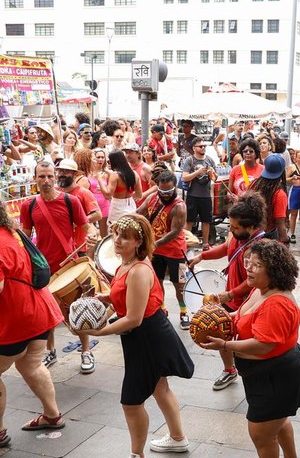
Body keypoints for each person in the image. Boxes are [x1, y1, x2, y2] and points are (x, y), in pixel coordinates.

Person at [81, 214, 194, 457]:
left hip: (148, 338)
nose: (117, 240)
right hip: (144, 336)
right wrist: (108, 298)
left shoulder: (139, 270)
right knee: (160, 388)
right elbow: (126, 297)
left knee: (131, 403)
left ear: (138, 242)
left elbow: (134, 318)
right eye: (116, 234)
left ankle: (136, 454)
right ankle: (178, 438)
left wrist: (97, 331)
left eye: (125, 237)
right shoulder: (125, 265)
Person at [201, 240, 300, 458]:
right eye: (249, 262)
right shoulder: (260, 290)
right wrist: (219, 317)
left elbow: (263, 344)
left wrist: (224, 345)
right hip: (263, 373)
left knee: (262, 434)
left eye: (256, 265)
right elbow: (243, 316)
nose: (248, 268)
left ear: (273, 270)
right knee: (277, 424)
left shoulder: (277, 304)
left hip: (278, 376)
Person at [0, 200, 66, 448]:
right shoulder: (12, 232)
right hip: (39, 312)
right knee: (31, 364)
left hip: (15, 321)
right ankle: (52, 414)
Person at [21, 162, 98, 371]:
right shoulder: (28, 206)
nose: (46, 181)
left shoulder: (70, 201)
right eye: (41, 177)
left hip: (69, 266)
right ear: (35, 179)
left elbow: (88, 226)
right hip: (43, 268)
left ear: (55, 177)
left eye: (49, 176)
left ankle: (86, 351)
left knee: (78, 309)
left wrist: (92, 235)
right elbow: (25, 238)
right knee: (47, 313)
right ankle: (50, 351)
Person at [188, 192, 265, 391]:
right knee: (223, 335)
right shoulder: (237, 236)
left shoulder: (257, 248)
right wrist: (201, 257)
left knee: (247, 344)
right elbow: (226, 247)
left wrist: (231, 294)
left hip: (249, 303)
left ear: (250, 227)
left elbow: (252, 282)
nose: (231, 230)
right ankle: (230, 370)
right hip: (230, 298)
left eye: (235, 227)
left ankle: (254, 377)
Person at [136, 170, 189, 330]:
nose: (165, 194)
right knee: (156, 282)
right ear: (157, 187)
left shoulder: (179, 206)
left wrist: (153, 244)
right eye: (162, 190)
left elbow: (174, 232)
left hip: (175, 251)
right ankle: (162, 309)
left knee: (179, 284)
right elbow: (139, 213)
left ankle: (184, 311)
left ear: (175, 188)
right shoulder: (152, 198)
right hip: (156, 251)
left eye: (169, 191)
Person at [181, 137, 217, 249]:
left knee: (206, 221)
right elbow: (184, 178)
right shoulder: (189, 160)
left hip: (206, 195)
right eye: (200, 146)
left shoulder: (210, 160)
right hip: (192, 195)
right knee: (189, 221)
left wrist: (211, 174)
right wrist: (198, 172)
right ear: (194, 148)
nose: (203, 148)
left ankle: (205, 243)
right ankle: (186, 242)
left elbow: (215, 179)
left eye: (204, 146)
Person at [249, 155, 289, 243]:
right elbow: (280, 225)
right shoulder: (279, 194)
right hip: (268, 241)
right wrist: (286, 240)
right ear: (282, 172)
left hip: (250, 237)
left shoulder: (254, 185)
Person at [100, 150, 143, 223]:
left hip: (117, 206)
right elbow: (139, 195)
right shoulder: (134, 174)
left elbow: (107, 195)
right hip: (131, 205)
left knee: (116, 230)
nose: (108, 164)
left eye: (108, 162)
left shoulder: (115, 175)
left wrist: (99, 179)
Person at [89, 148, 111, 237]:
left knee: (104, 233)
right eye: (98, 157)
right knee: (92, 233)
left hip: (104, 204)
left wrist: (103, 187)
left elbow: (110, 191)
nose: (100, 159)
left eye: (102, 157)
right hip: (91, 205)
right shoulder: (88, 173)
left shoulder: (108, 173)